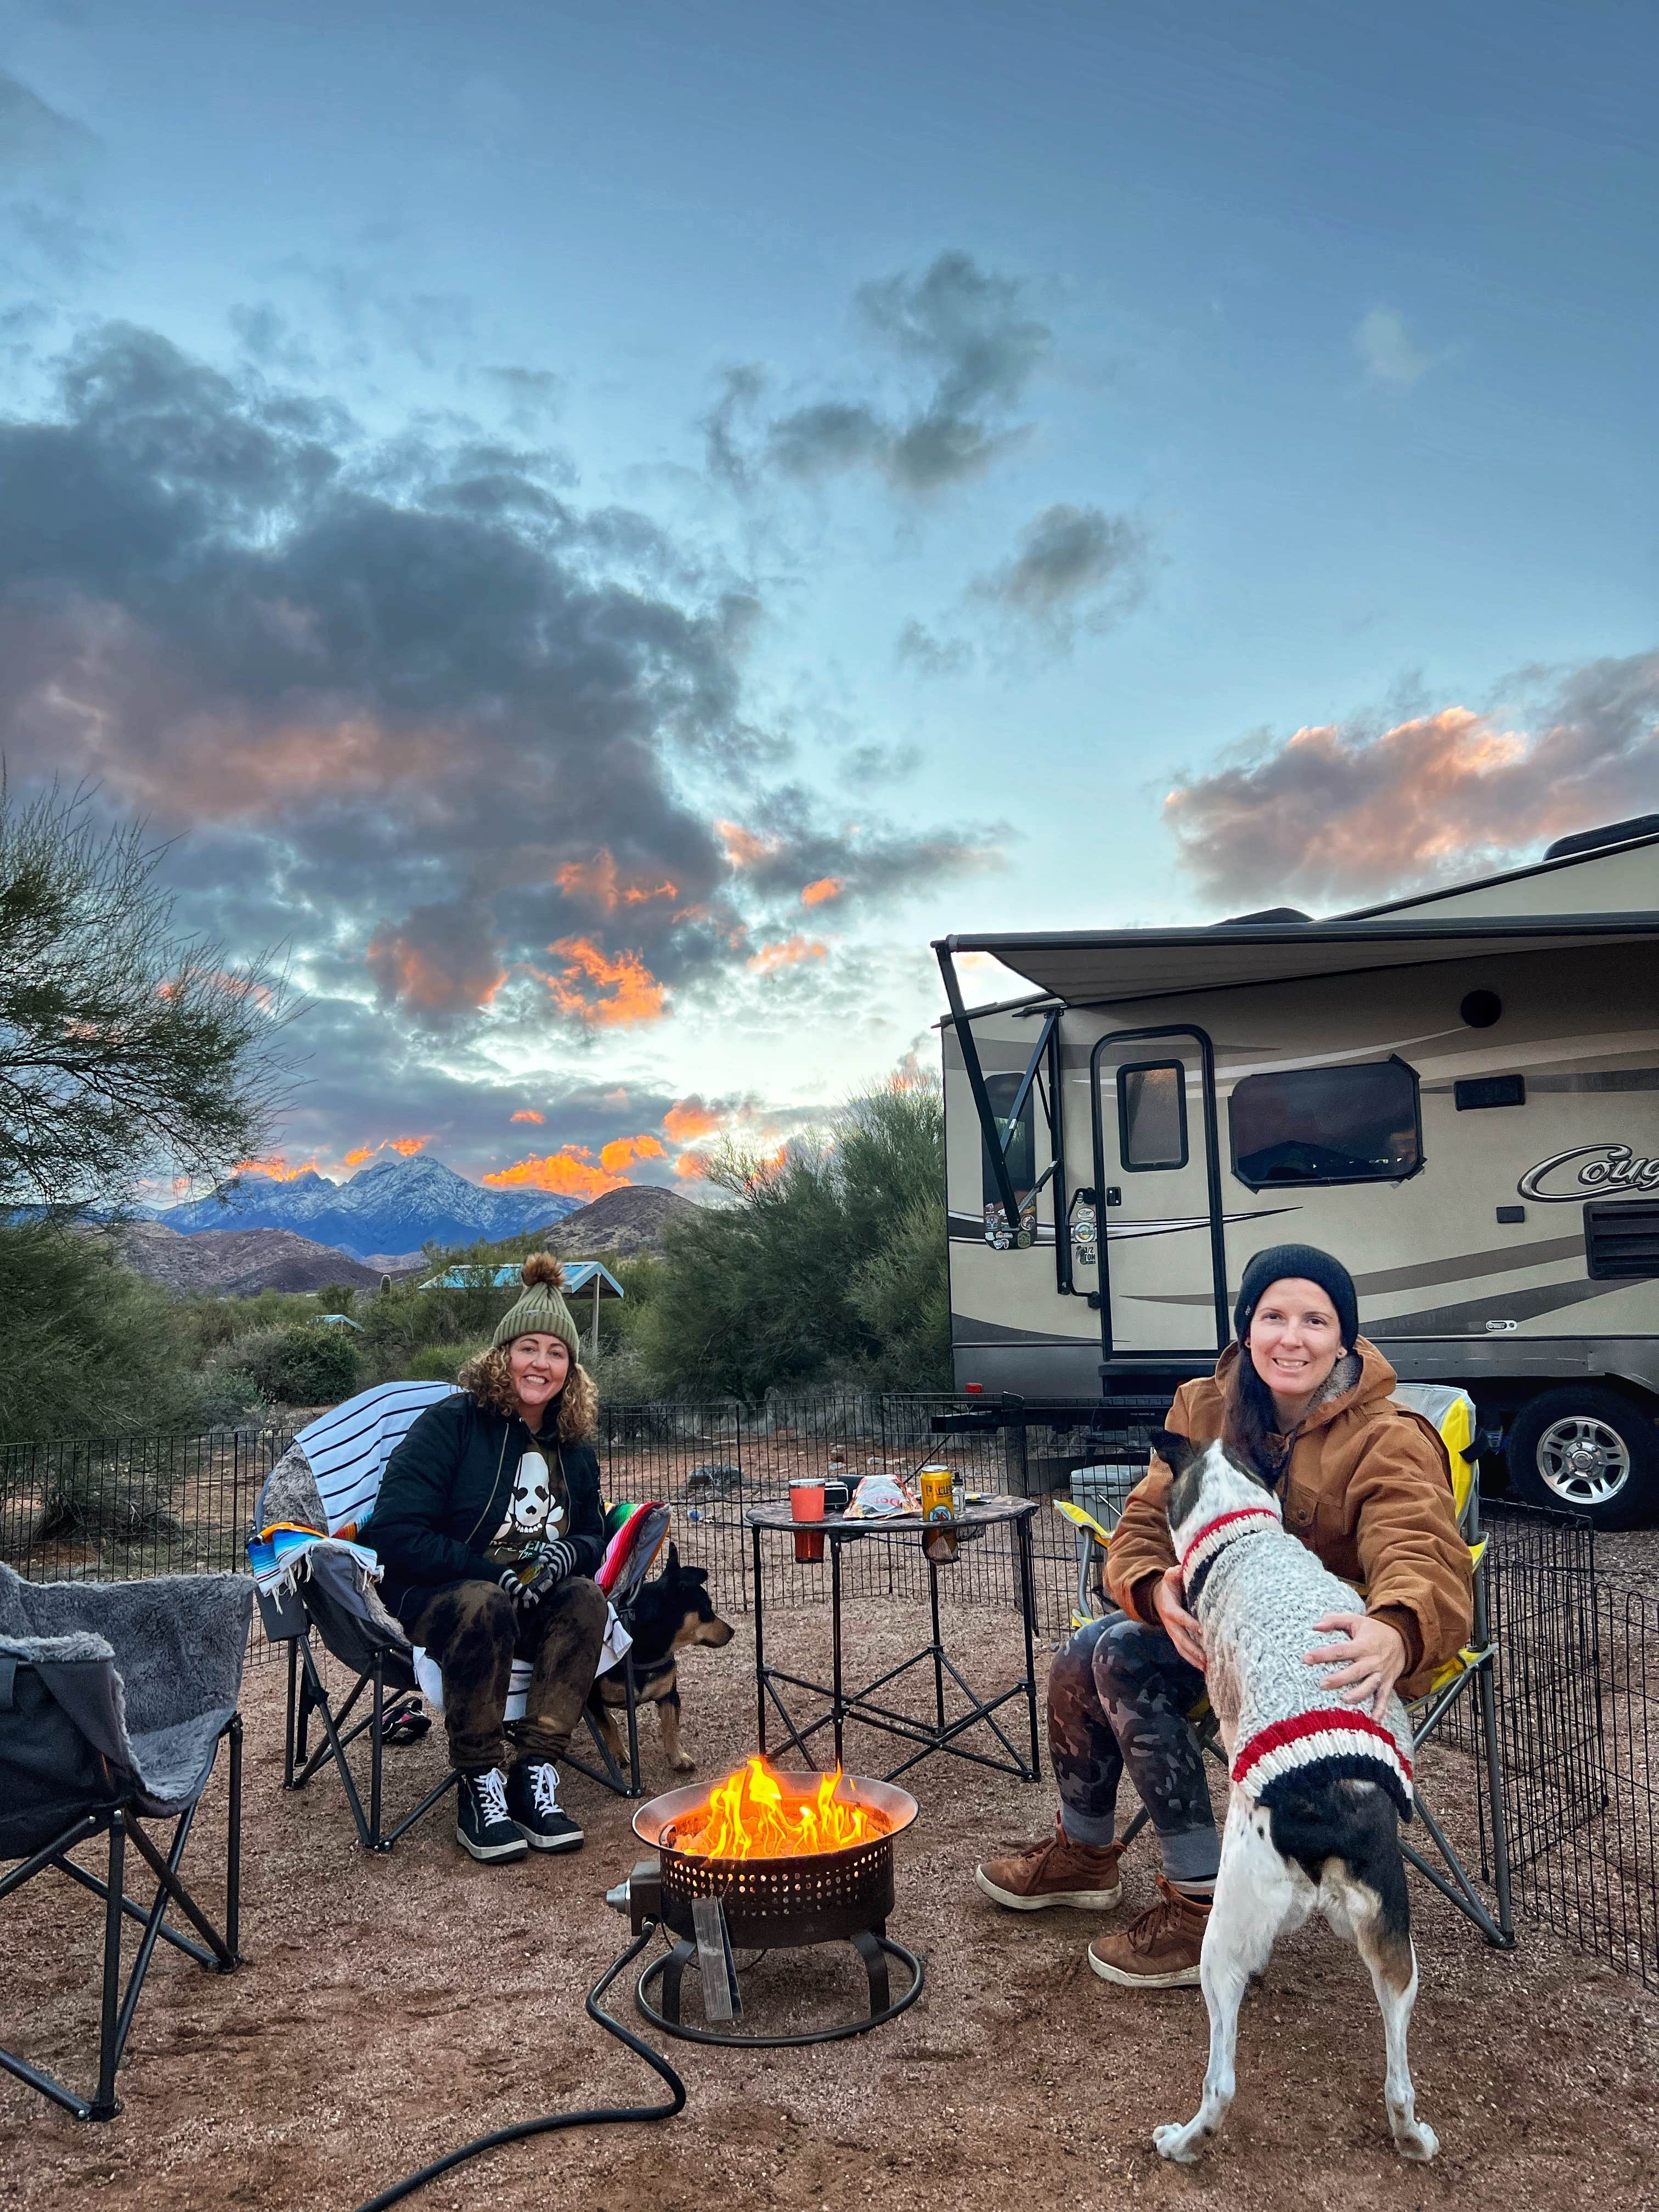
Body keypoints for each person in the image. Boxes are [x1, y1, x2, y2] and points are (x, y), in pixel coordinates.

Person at [976, 1242, 1472, 1990]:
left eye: (1316, 1321)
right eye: (1273, 1317)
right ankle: (1084, 1855)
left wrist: (1400, 1626)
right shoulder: (1203, 1407)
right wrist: (1153, 1586)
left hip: (1321, 1656)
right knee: (1088, 1646)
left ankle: (1202, 1904)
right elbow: (1146, 1523)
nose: (1292, 1339)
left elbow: (1420, 1547)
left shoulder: (1388, 1435)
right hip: (1216, 1630)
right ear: (1246, 1329)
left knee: (1122, 1656)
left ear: (1344, 1339)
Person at [360, 1254, 610, 1864]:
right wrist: (491, 1570)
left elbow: (594, 1533)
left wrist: (564, 1557)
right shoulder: (451, 1426)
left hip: (530, 1596)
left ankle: (535, 1772)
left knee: (585, 1597)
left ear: (570, 1370)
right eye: (529, 1348)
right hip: (442, 1595)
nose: (541, 1364)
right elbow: (393, 1533)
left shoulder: (574, 1446)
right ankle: (479, 1782)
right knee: (485, 1600)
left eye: (556, 1353)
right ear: (503, 1356)